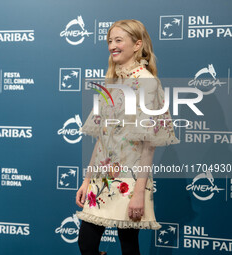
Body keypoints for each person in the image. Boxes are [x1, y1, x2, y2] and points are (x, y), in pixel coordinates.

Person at [75, 19, 180, 255]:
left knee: (129, 246)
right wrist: (86, 180)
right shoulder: (112, 84)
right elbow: (103, 140)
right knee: (86, 244)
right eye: (110, 41)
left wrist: (138, 193)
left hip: (131, 181)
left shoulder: (147, 83)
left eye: (118, 40)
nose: (112, 45)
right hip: (102, 179)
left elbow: (149, 145)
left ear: (137, 45)